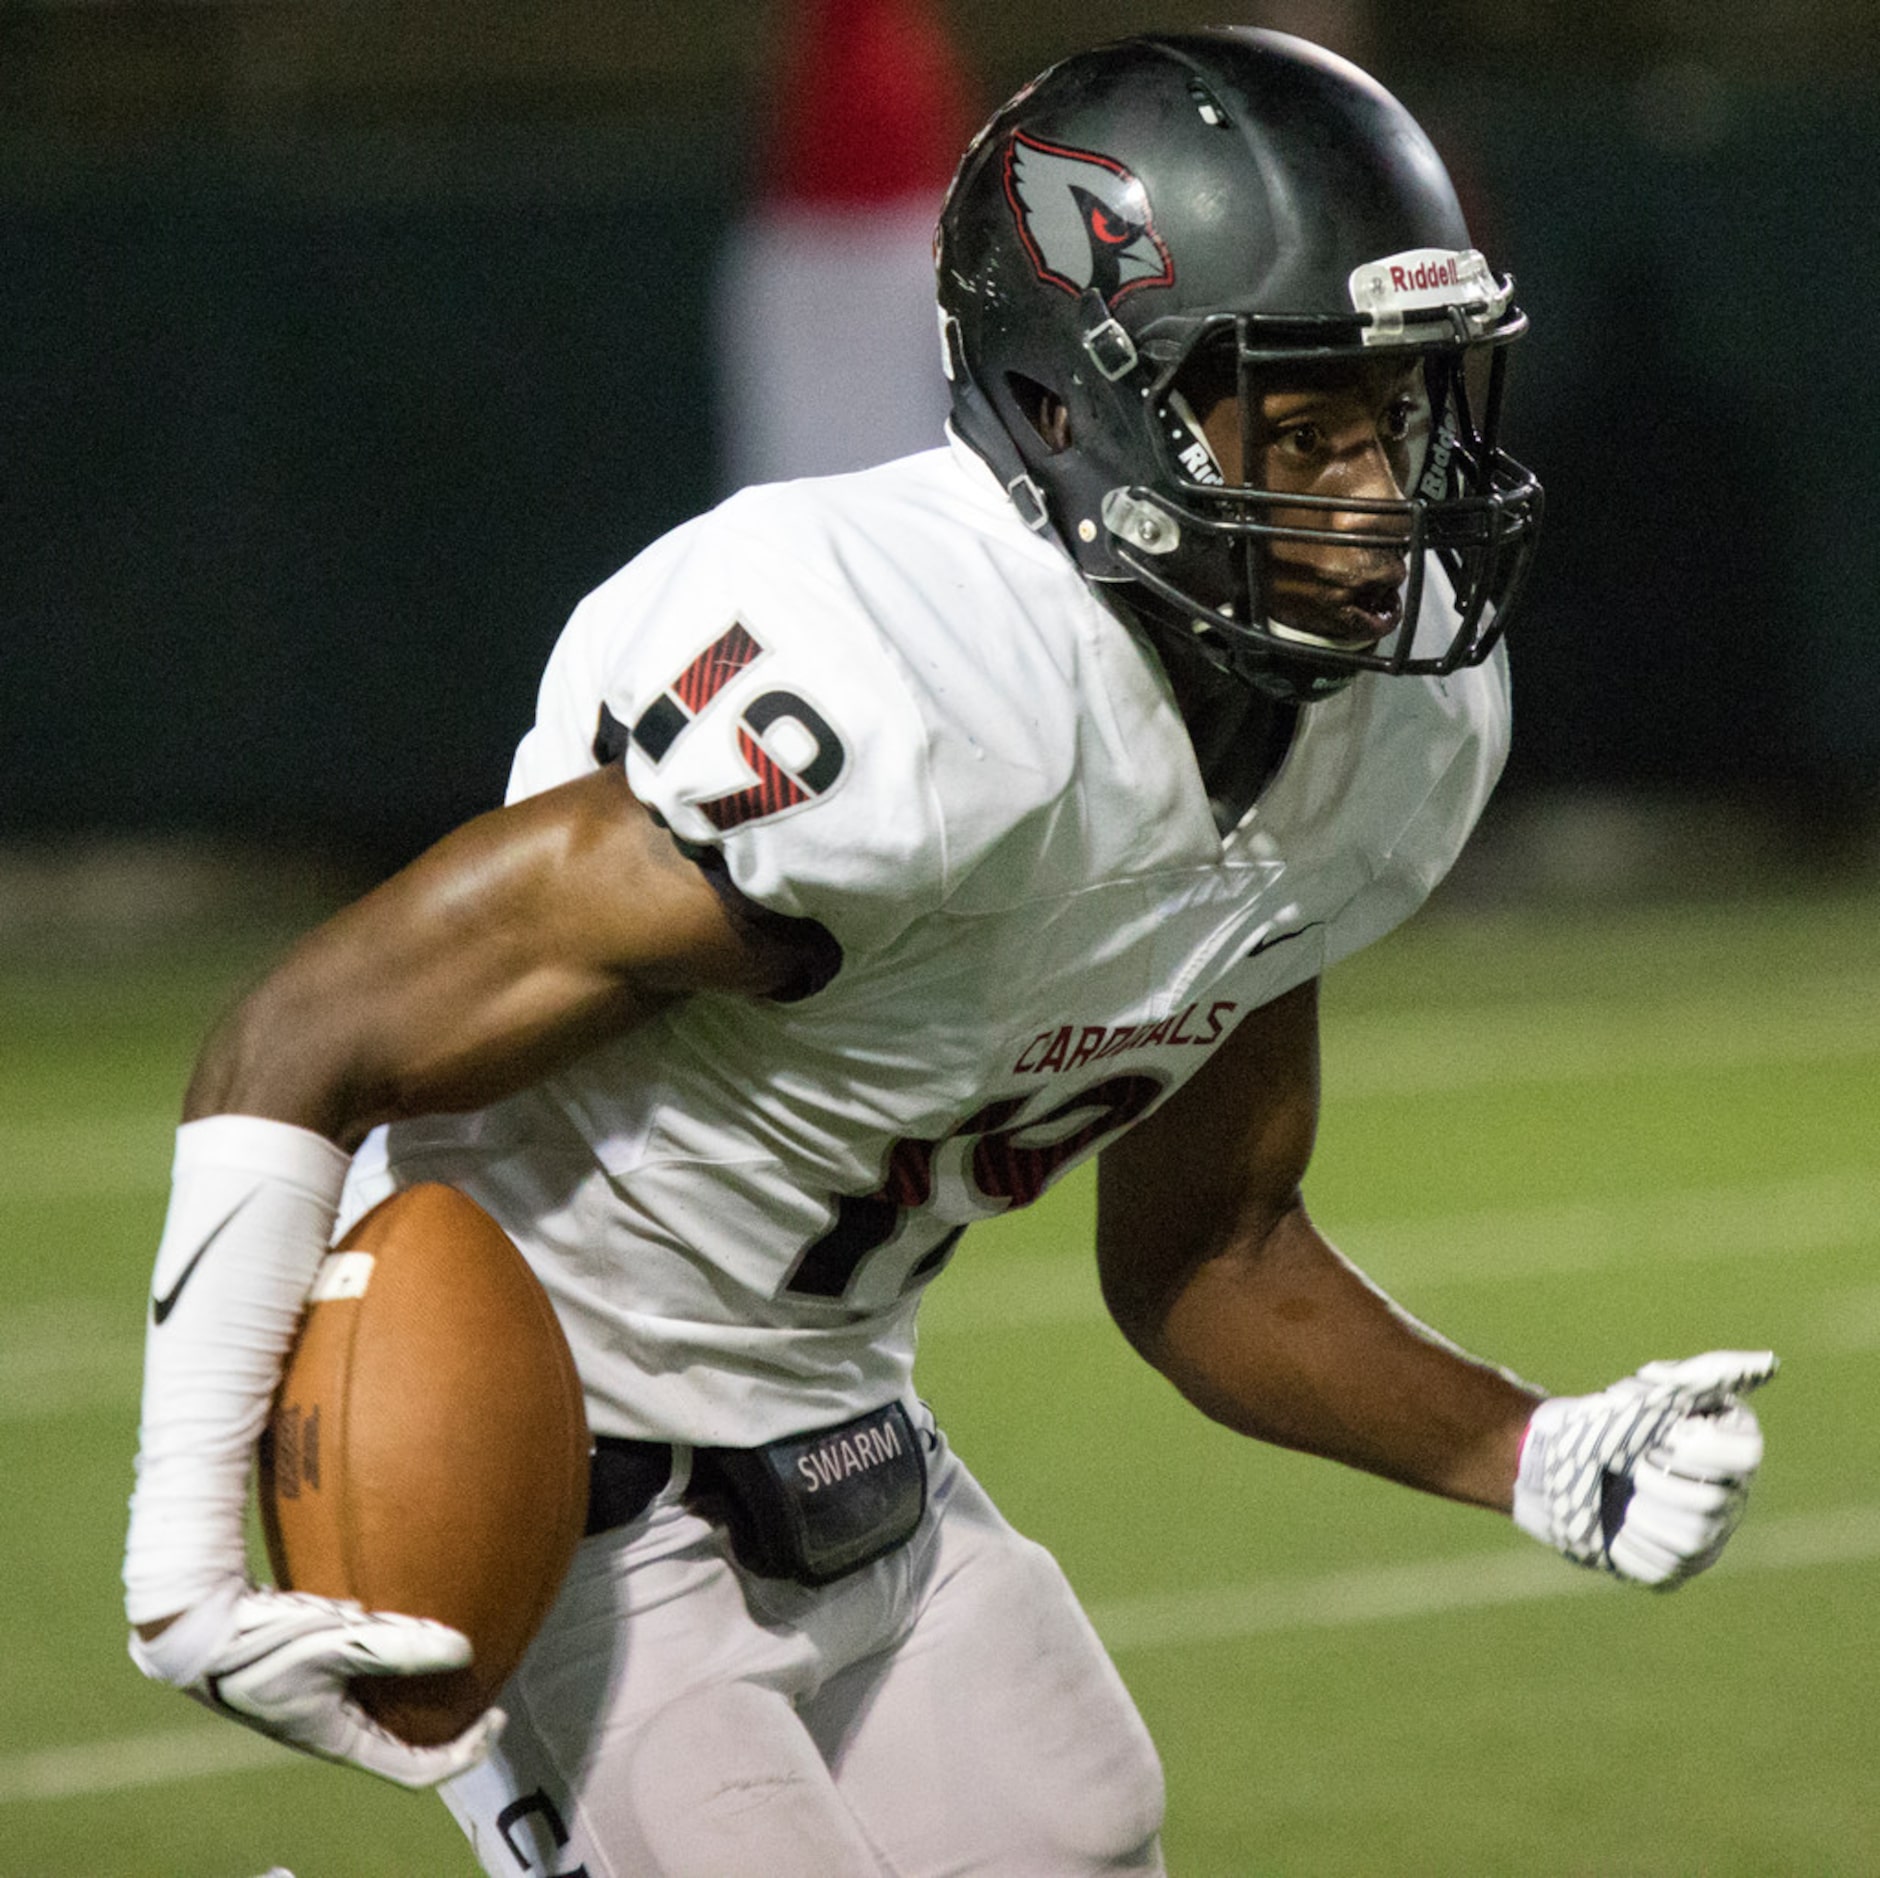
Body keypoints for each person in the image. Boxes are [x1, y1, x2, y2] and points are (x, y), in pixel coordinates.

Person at [123, 29, 1775, 1876]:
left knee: (1080, 1833)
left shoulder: (1386, 735)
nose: (1381, 498)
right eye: (1305, 427)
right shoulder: (902, 681)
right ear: (1077, 414)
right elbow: (305, 1029)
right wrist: (182, 1547)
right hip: (519, 1442)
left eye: (1402, 410)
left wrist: (1526, 1449)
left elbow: (1211, 1250)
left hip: (841, 1432)